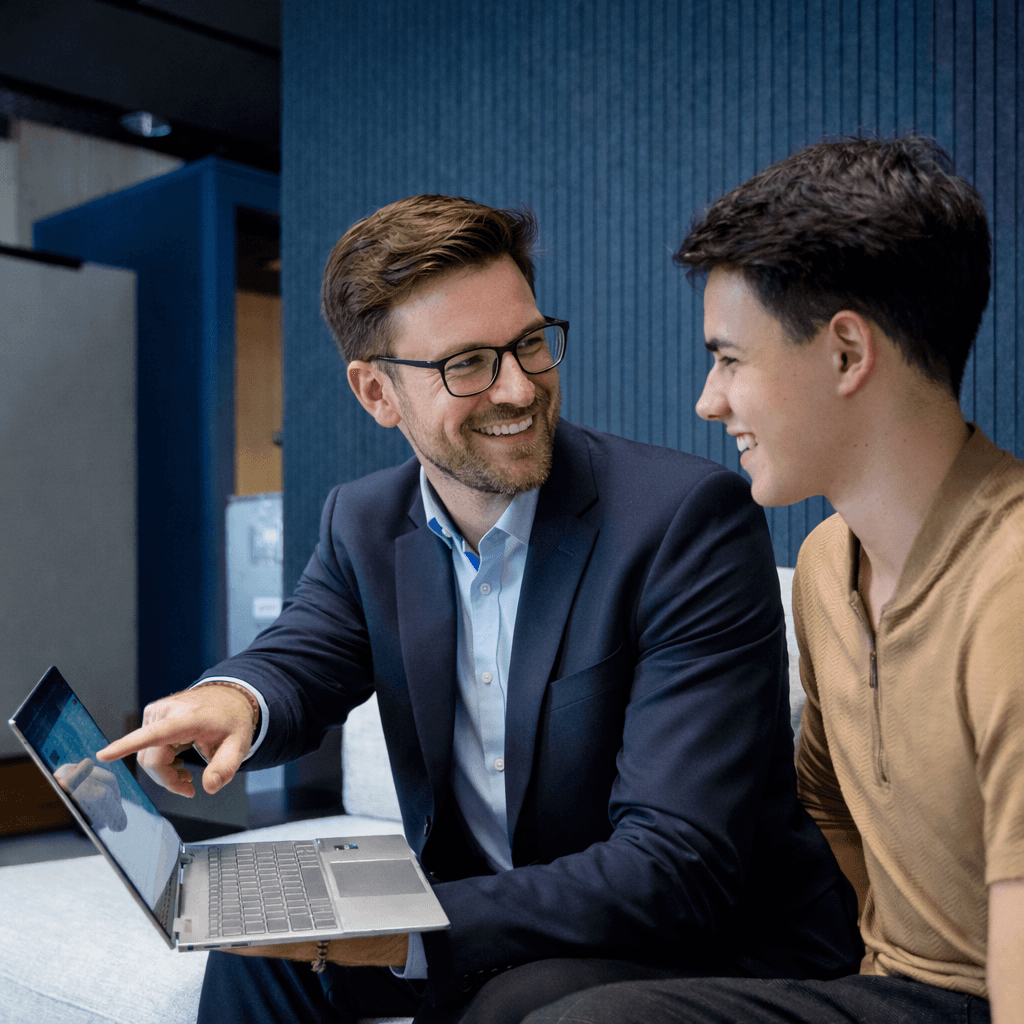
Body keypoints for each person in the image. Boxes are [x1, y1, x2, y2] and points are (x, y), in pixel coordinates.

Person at [97, 194, 861, 1024]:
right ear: (377, 393)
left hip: (702, 938)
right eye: (467, 363)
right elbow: (305, 653)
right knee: (258, 962)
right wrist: (233, 697)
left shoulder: (686, 521)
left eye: (530, 344)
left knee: (505, 1004)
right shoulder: (364, 521)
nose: (520, 387)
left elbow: (676, 868)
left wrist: (397, 928)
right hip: (502, 914)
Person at [519, 137, 1024, 1024]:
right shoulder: (829, 565)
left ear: (845, 354)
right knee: (522, 1002)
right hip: (885, 981)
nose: (708, 401)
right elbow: (827, 810)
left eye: (730, 358)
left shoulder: (1010, 586)